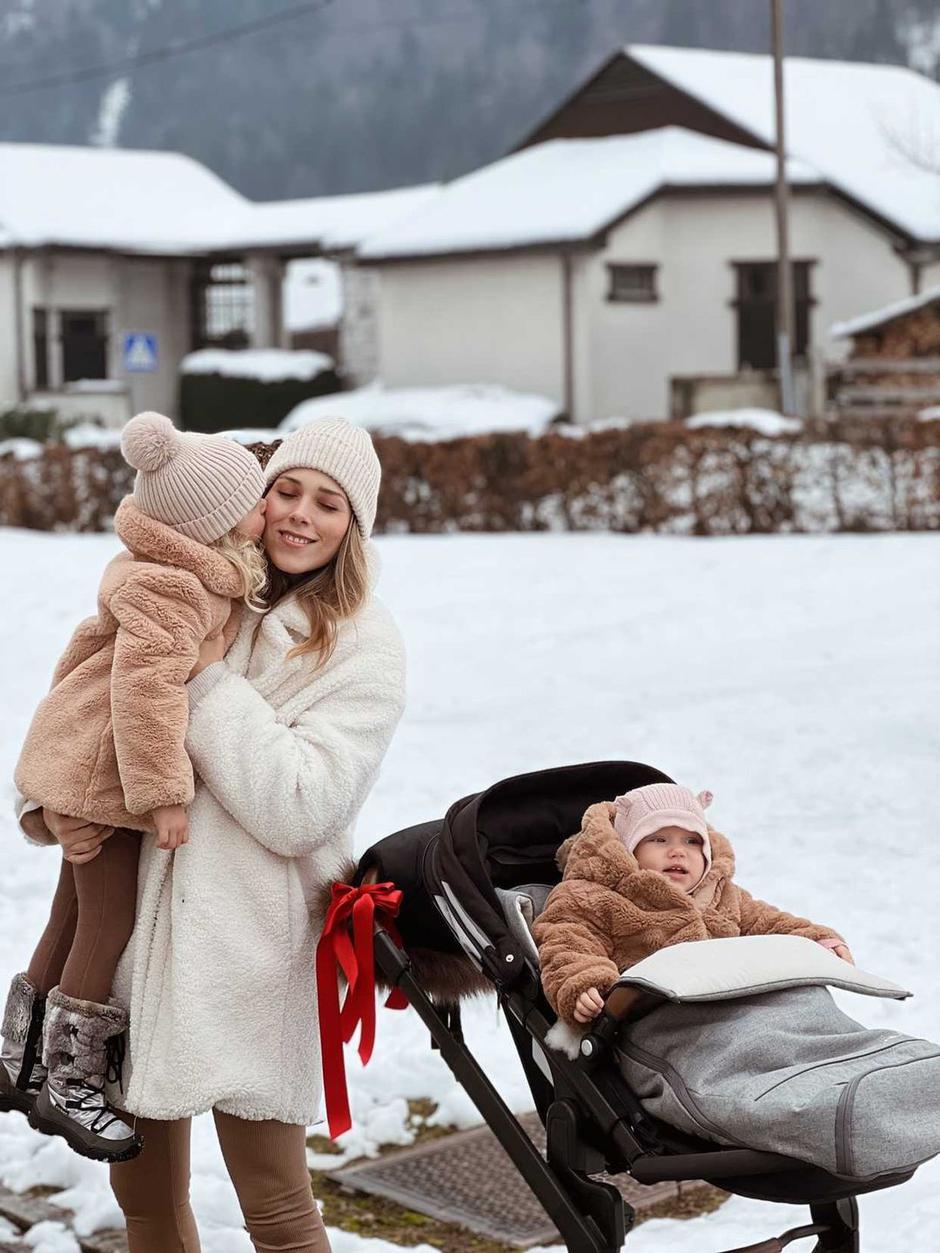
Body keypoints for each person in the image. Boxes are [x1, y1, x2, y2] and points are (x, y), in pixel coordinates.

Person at [32, 419, 405, 1253]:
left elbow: (302, 803)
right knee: (146, 1202)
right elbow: (89, 711)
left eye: (329, 502)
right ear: (256, 494)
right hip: (140, 942)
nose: (301, 514)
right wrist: (57, 805)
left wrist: (197, 683)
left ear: (356, 526)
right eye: (287, 489)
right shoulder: (203, 585)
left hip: (253, 954)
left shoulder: (362, 645)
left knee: (276, 1204)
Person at [1, 412, 267, 1161]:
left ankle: (16, 1057)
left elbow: (79, 665)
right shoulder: (174, 590)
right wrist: (164, 794)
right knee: (105, 918)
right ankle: (71, 1083)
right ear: (213, 523)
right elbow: (146, 694)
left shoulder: (159, 573)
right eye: (253, 500)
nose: (264, 510)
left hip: (82, 761)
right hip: (106, 773)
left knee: (66, 913)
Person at [533, 782, 850, 1027]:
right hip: (661, 1024)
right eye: (659, 839)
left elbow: (769, 923)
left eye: (692, 841)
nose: (677, 852)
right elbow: (568, 939)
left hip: (741, 1008)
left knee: (802, 1008)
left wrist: (813, 940)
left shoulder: (721, 893)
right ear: (626, 847)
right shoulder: (593, 896)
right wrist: (584, 983)